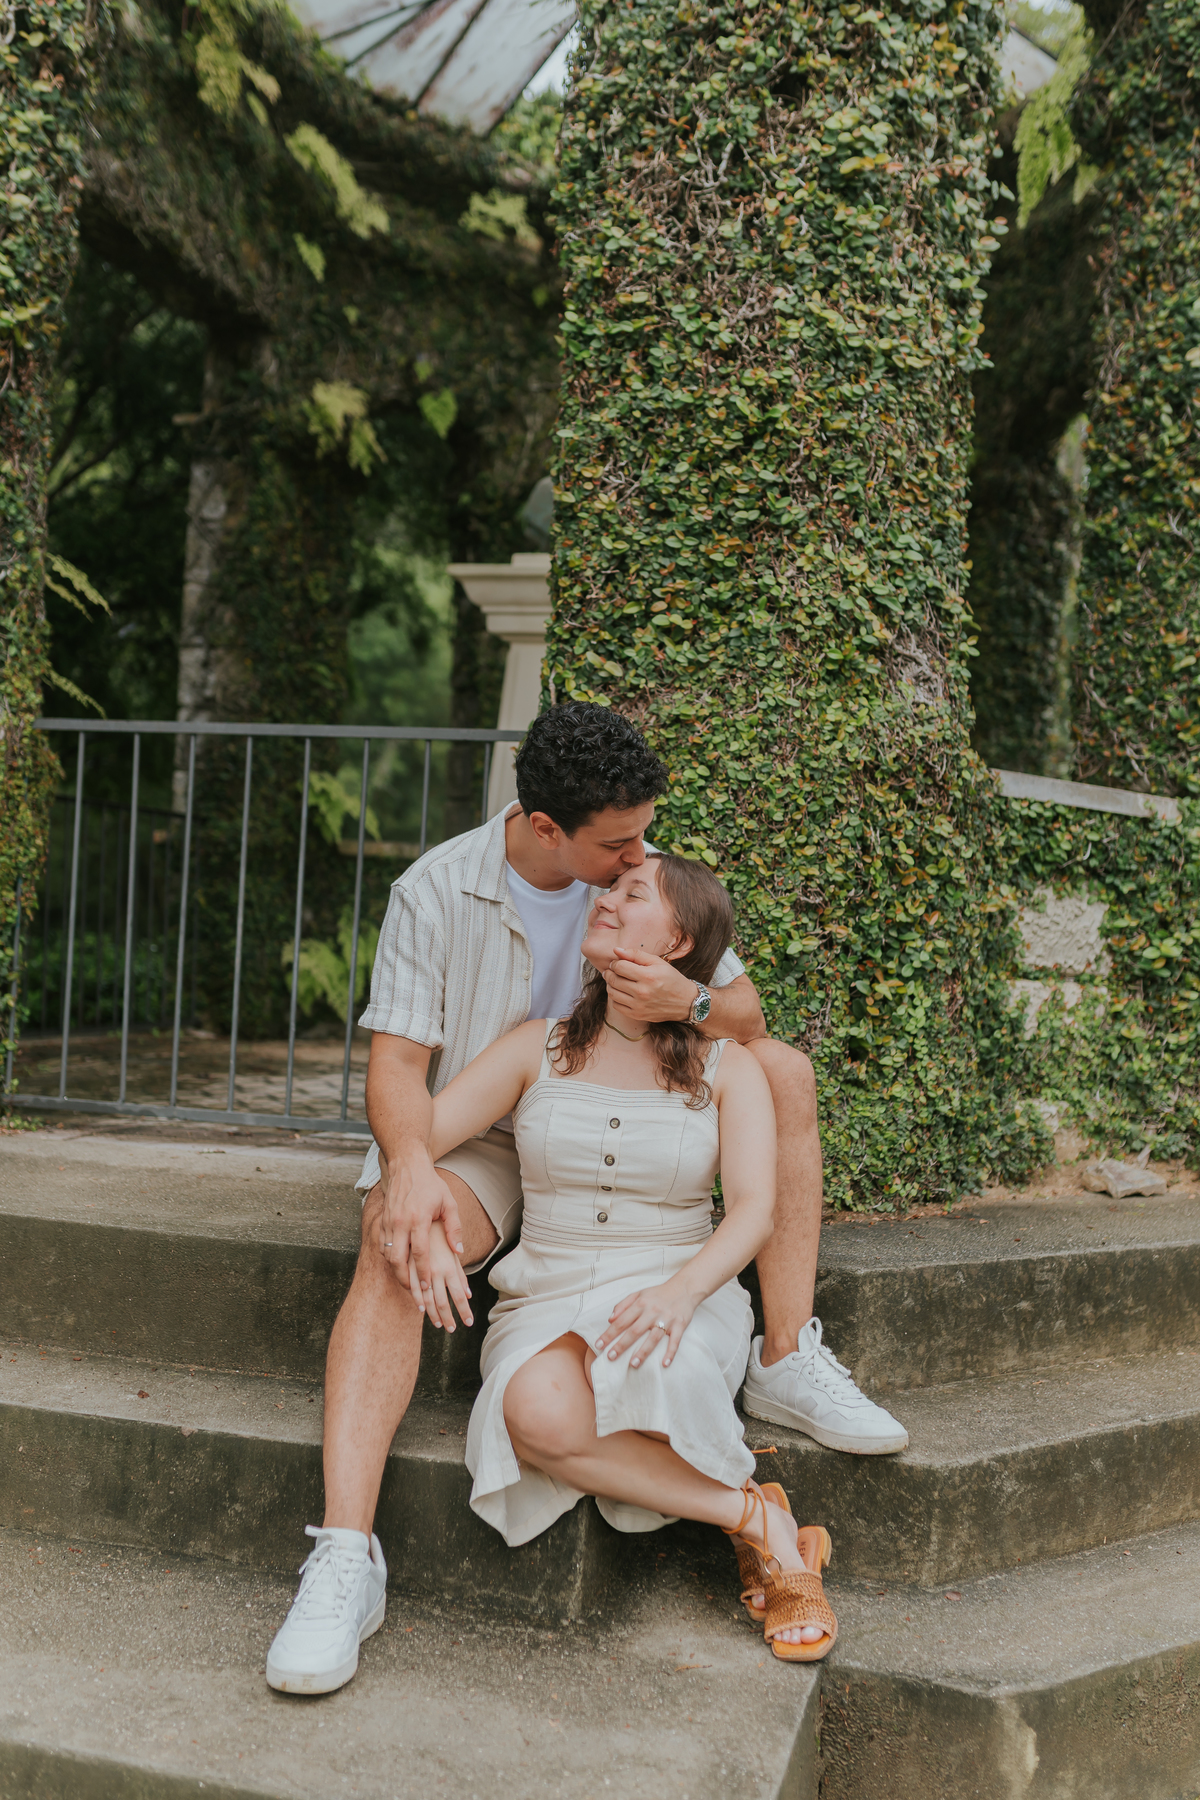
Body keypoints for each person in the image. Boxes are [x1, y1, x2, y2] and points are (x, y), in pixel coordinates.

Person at [265, 702, 901, 1694]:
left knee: (782, 1070)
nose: (637, 853)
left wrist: (681, 1003)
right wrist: (409, 1177)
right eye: (620, 842)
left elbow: (742, 1014)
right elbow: (398, 1072)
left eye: (643, 836)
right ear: (548, 827)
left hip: (633, 1131)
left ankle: (785, 1352)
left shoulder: (646, 881)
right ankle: (346, 1555)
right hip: (487, 1134)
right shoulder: (437, 891)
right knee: (394, 1235)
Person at [431, 852, 839, 1662]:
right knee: (535, 1412)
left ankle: (779, 1549)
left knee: (667, 1373)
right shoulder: (532, 1047)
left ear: (679, 938)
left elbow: (755, 1211)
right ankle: (758, 1519)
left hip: (679, 1281)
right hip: (546, 1287)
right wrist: (412, 1199)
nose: (605, 899)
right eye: (607, 889)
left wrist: (683, 1295)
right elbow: (421, 1134)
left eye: (631, 893)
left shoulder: (730, 1069)